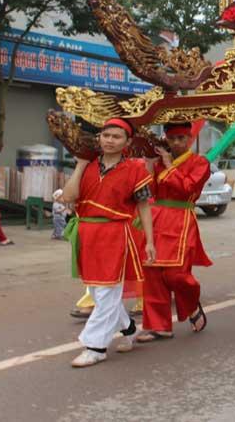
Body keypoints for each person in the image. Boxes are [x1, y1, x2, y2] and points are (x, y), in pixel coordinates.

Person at [59, 118, 153, 368]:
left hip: (116, 235)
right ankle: (130, 328)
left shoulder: (136, 170)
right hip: (87, 234)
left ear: (127, 142)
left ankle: (95, 347)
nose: (110, 140)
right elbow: (68, 197)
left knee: (109, 291)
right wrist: (79, 166)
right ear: (99, 138)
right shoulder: (87, 166)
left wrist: (150, 241)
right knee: (98, 292)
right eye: (106, 135)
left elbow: (143, 207)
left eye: (116, 137)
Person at [138, 122, 212, 343]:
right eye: (172, 139)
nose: (177, 143)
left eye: (182, 138)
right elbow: (148, 191)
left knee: (176, 274)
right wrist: (150, 166)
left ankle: (191, 305)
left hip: (182, 219)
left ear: (190, 138)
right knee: (151, 272)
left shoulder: (200, 162)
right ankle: (158, 326)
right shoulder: (159, 162)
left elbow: (187, 188)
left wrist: (169, 165)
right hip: (156, 218)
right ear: (166, 140)